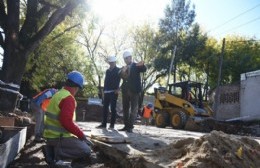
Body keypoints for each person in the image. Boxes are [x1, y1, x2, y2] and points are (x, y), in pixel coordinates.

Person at [43, 71, 93, 166]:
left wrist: (78, 131)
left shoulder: (58, 94)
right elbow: (66, 122)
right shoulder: (68, 98)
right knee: (86, 150)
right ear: (76, 87)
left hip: (51, 136)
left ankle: (53, 151)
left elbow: (66, 120)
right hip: (59, 138)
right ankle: (55, 155)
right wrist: (81, 135)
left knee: (81, 144)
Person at [119, 50, 147, 133]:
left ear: (130, 58)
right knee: (125, 109)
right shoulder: (124, 68)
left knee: (134, 109)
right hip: (125, 91)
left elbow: (144, 69)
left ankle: (130, 126)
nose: (126, 60)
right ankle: (126, 125)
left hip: (135, 91)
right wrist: (123, 71)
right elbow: (120, 75)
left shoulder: (136, 65)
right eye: (124, 59)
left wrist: (142, 65)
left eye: (127, 58)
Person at [96, 56, 121, 129]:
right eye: (110, 62)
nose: (111, 64)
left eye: (112, 62)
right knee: (105, 108)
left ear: (115, 62)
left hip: (114, 92)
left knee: (113, 108)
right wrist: (103, 91)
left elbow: (125, 80)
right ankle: (103, 124)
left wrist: (119, 89)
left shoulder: (119, 70)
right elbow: (106, 81)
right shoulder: (107, 71)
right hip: (106, 92)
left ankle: (112, 125)